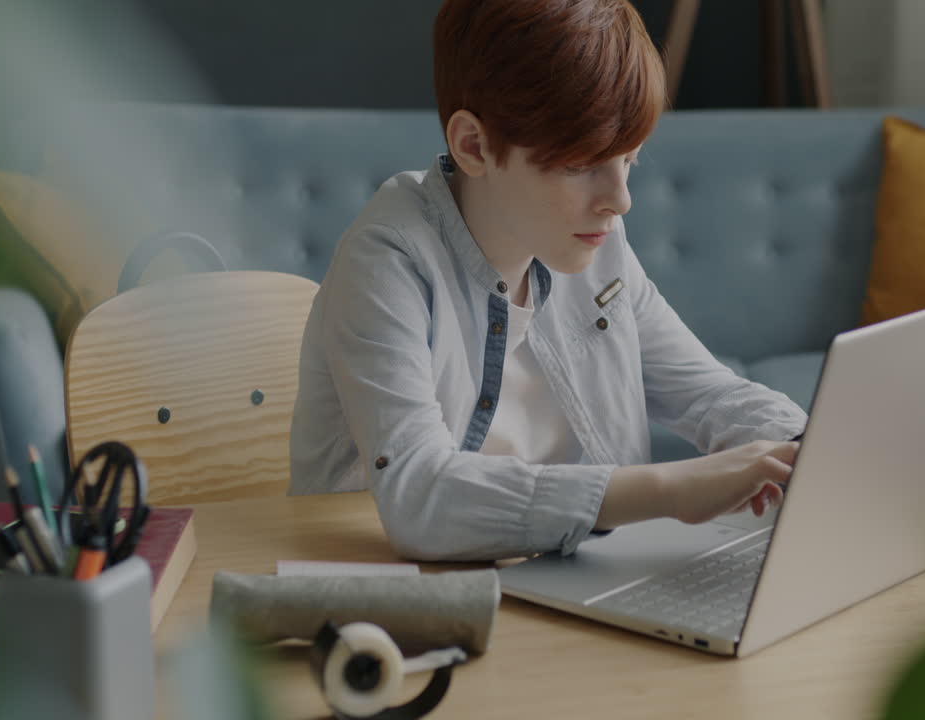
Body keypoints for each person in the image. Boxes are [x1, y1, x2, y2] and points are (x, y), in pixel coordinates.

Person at [289, 0, 807, 561]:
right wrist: (672, 490)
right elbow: (421, 496)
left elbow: (710, 395)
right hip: (396, 599)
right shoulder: (388, 258)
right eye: (582, 166)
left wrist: (809, 450)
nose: (620, 200)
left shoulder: (597, 241)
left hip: (568, 575)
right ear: (474, 146)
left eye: (629, 160)